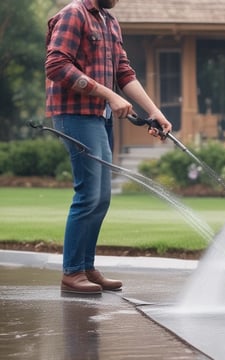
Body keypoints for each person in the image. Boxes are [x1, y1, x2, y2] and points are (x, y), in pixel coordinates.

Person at [45, 0, 171, 294]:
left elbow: (124, 73)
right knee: (89, 193)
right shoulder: (73, 14)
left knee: (101, 197)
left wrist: (155, 112)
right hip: (75, 115)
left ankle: (85, 267)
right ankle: (72, 272)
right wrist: (107, 95)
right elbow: (55, 64)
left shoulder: (110, 21)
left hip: (98, 117)